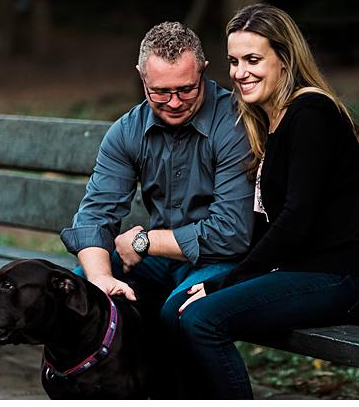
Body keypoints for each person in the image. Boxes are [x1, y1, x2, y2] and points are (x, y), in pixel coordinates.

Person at [171, 4, 359, 399]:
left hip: (345, 276)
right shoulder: (269, 120)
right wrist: (219, 273)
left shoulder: (311, 113)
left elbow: (295, 219)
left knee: (203, 319)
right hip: (305, 270)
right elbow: (264, 220)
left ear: (285, 59)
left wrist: (228, 281)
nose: (240, 73)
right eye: (234, 61)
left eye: (253, 59)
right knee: (177, 310)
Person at [59, 21, 255, 398]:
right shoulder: (126, 131)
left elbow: (232, 232)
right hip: (165, 256)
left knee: (179, 312)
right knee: (80, 285)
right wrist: (100, 278)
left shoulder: (234, 124)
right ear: (141, 77)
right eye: (160, 92)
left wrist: (146, 242)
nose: (175, 102)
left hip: (224, 258)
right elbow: (95, 216)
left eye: (186, 89)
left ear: (204, 70)